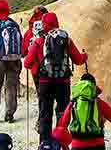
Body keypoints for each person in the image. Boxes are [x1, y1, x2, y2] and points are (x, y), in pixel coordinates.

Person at [23, 11, 87, 140]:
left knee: (45, 113)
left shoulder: (39, 41)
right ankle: (60, 143)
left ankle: (45, 144)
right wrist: (85, 56)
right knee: (62, 113)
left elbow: (27, 63)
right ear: (57, 23)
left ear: (44, 24)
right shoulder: (65, 40)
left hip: (45, 82)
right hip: (63, 82)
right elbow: (78, 60)